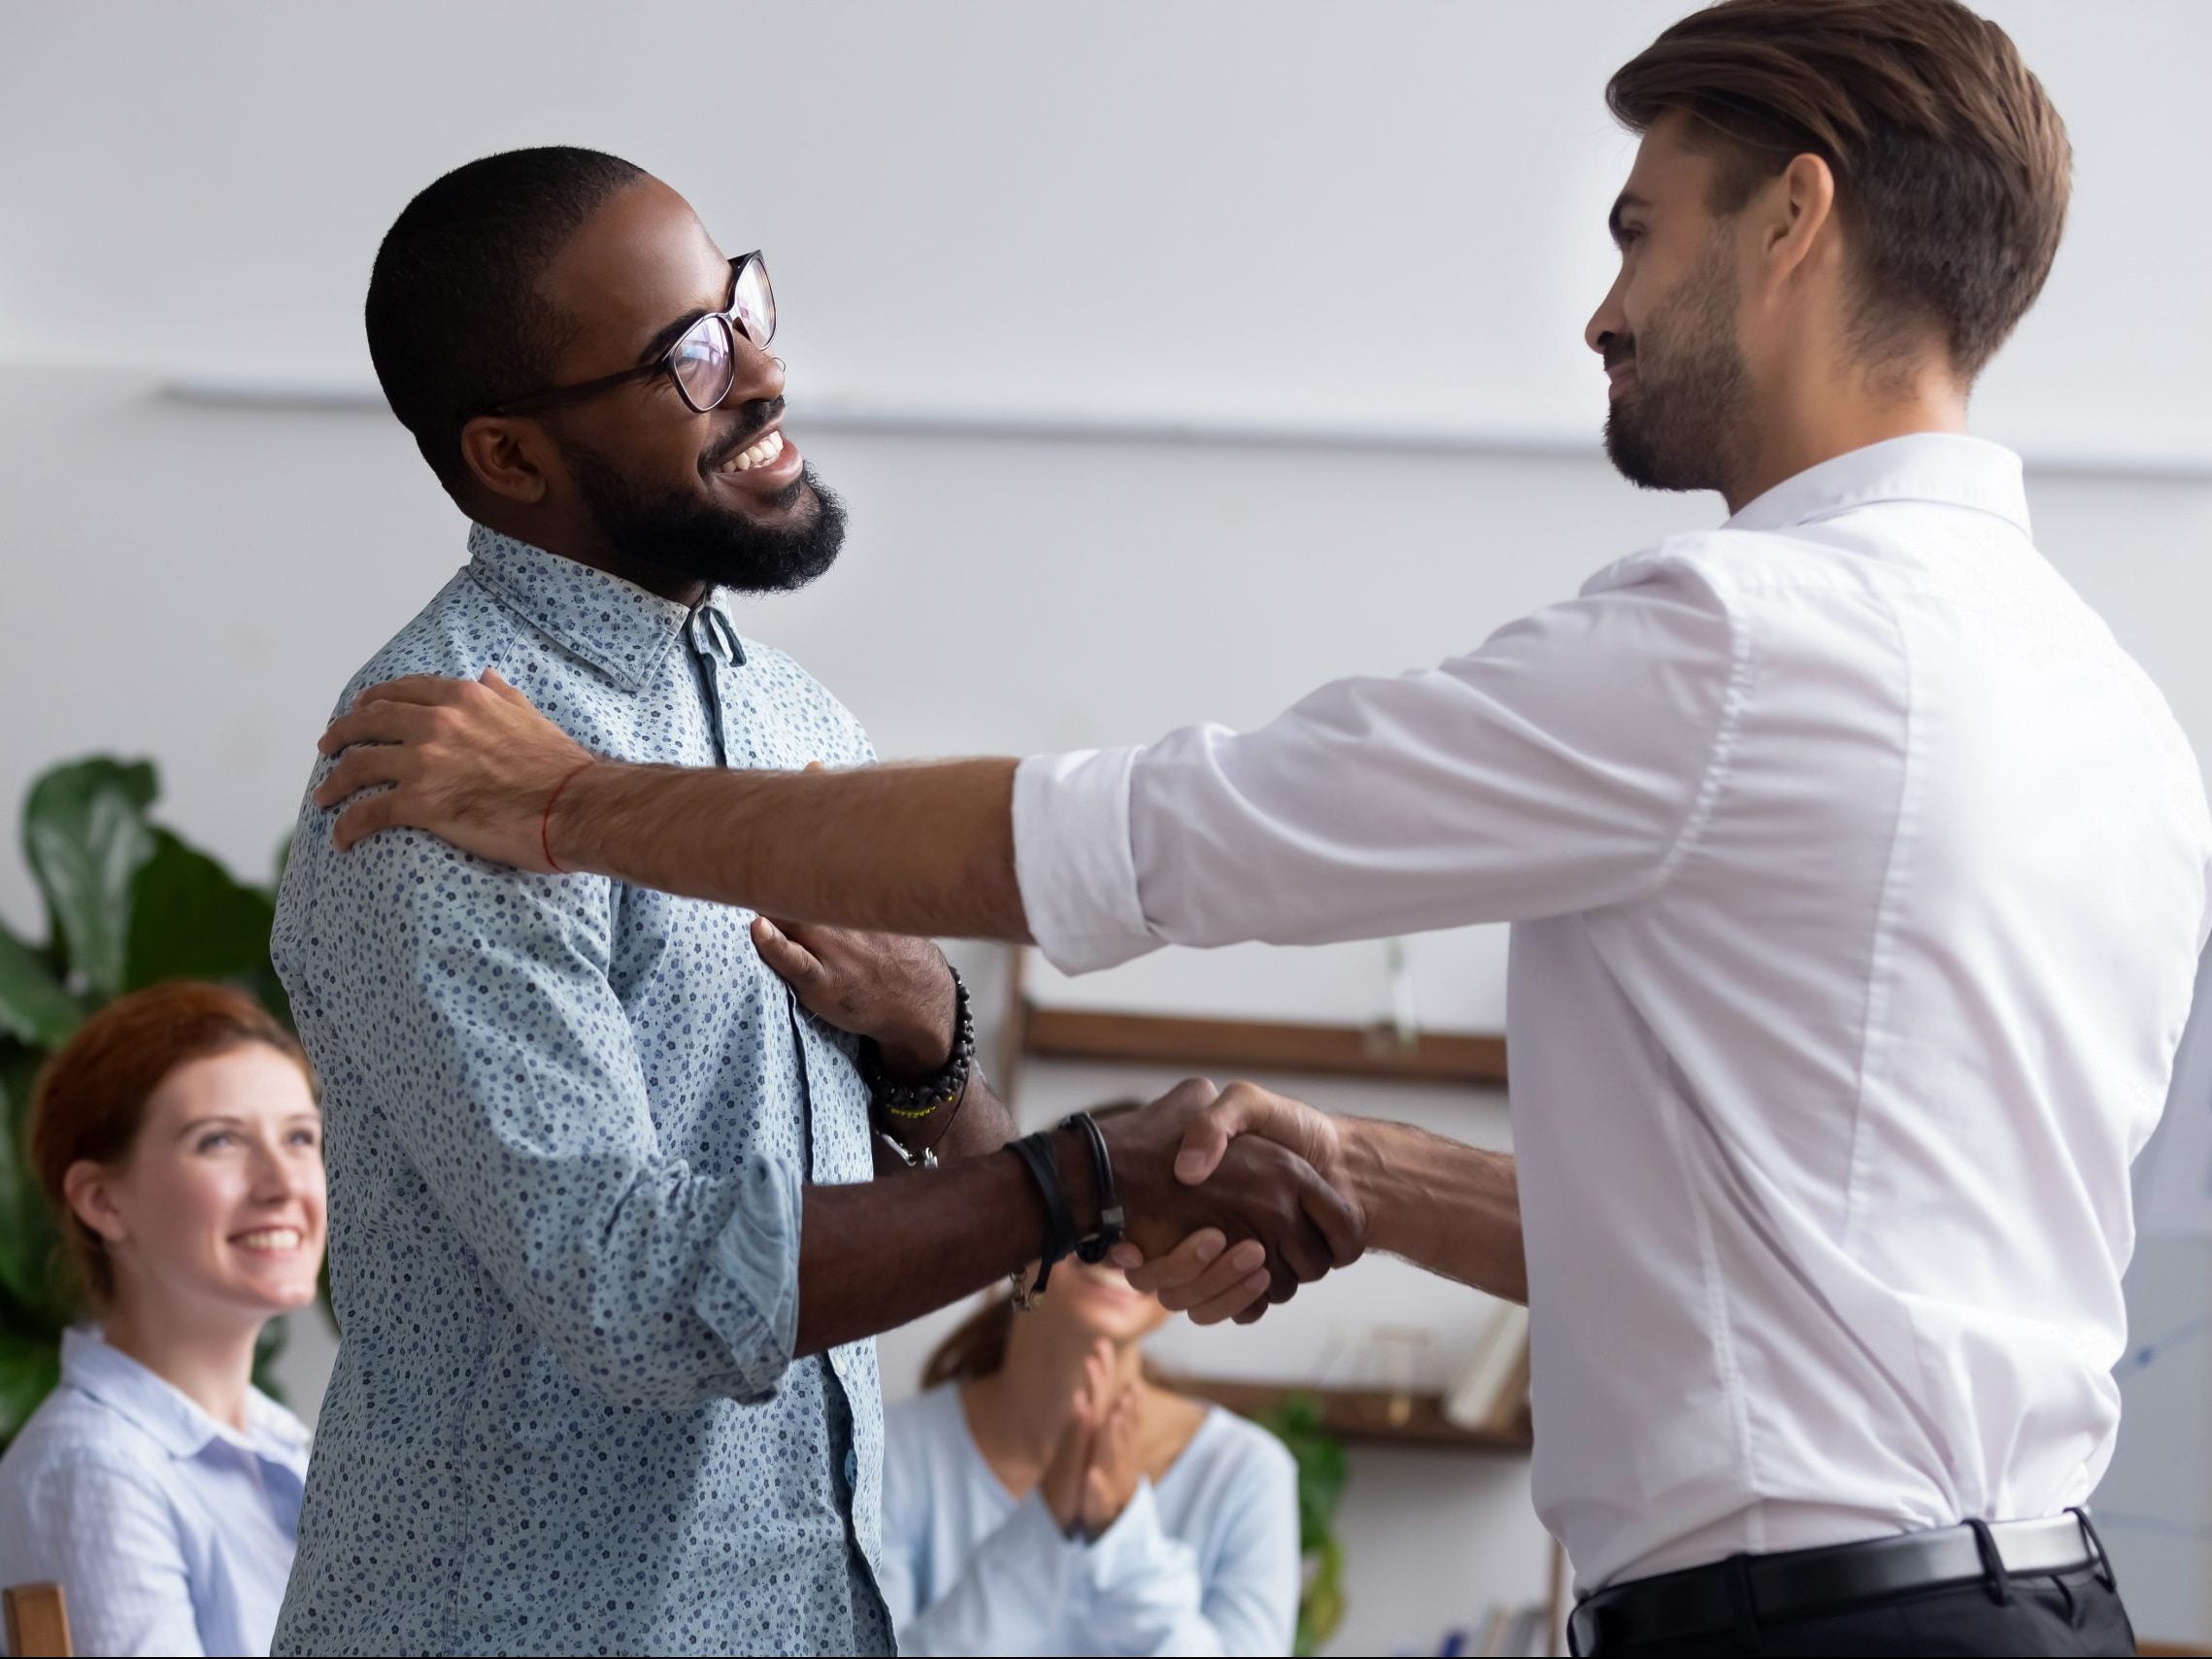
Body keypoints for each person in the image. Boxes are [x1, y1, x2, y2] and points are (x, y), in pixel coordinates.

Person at [313, 3, 2212, 1653]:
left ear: (1790, 219)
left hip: (1810, 1621)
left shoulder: (1746, 641)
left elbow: (1143, 836)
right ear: (509, 448)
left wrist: (565, 804)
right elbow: (1757, 1249)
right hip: (2019, 1593)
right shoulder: (2100, 699)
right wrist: (1339, 1165)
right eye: (690, 347)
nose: (1599, 307)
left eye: (1638, 232)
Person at [269, 148, 1353, 1656]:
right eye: (687, 359)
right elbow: (634, 1293)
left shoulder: (794, 726)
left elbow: (956, 1185)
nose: (763, 373)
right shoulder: (428, 776)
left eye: (743, 305)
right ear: (511, 460)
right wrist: (1083, 1174)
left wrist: (932, 1052)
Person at [0, 983, 325, 1657]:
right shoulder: (91, 1470)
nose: (284, 1183)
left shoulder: (281, 1444)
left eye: (301, 1136)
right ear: (102, 1201)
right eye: (220, 1141)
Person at [883, 1251, 1298, 1656]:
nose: (1121, 1249)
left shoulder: (1246, 1473)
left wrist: (1123, 1535)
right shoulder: (889, 1455)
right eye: (1094, 1205)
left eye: (1157, 1217)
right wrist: (1042, 1528)